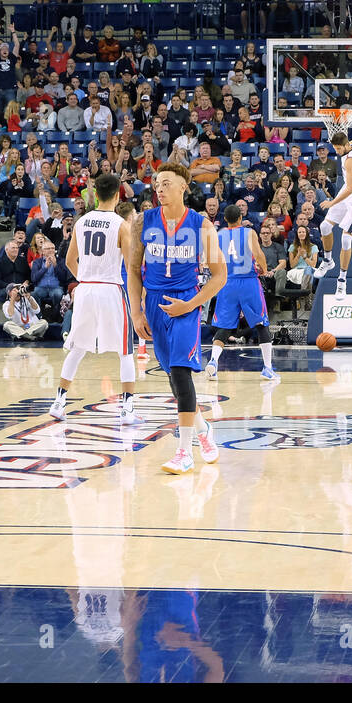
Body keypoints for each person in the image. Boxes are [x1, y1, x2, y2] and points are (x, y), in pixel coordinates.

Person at [128, 162, 226, 475]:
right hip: (154, 304)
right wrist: (136, 311)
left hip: (186, 300)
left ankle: (184, 451)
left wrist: (191, 305)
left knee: (182, 374)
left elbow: (220, 275)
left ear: (183, 186)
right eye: (156, 184)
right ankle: (202, 430)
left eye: (166, 183)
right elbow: (132, 270)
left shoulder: (201, 225)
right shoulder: (142, 221)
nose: (159, 189)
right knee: (173, 379)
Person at [50, 174, 140, 423]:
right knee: (125, 351)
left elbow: (69, 261)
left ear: (96, 194)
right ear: (117, 195)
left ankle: (59, 401)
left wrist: (87, 278)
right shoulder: (121, 224)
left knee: (78, 348)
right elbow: (132, 265)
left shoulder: (82, 221)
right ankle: (127, 408)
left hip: (86, 289)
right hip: (110, 288)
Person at [207, 204, 277, 382]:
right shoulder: (249, 232)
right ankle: (267, 368)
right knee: (261, 323)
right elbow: (258, 254)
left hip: (227, 282)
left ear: (225, 220)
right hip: (248, 282)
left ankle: (213, 362)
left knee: (224, 326)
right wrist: (264, 268)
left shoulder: (219, 234)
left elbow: (212, 260)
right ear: (240, 218)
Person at [313, 116, 352, 297]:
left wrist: (331, 202)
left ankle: (342, 281)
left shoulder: (350, 161)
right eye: (335, 148)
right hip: (348, 192)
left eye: (338, 148)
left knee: (346, 239)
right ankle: (328, 261)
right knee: (324, 226)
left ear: (345, 146)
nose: (336, 151)